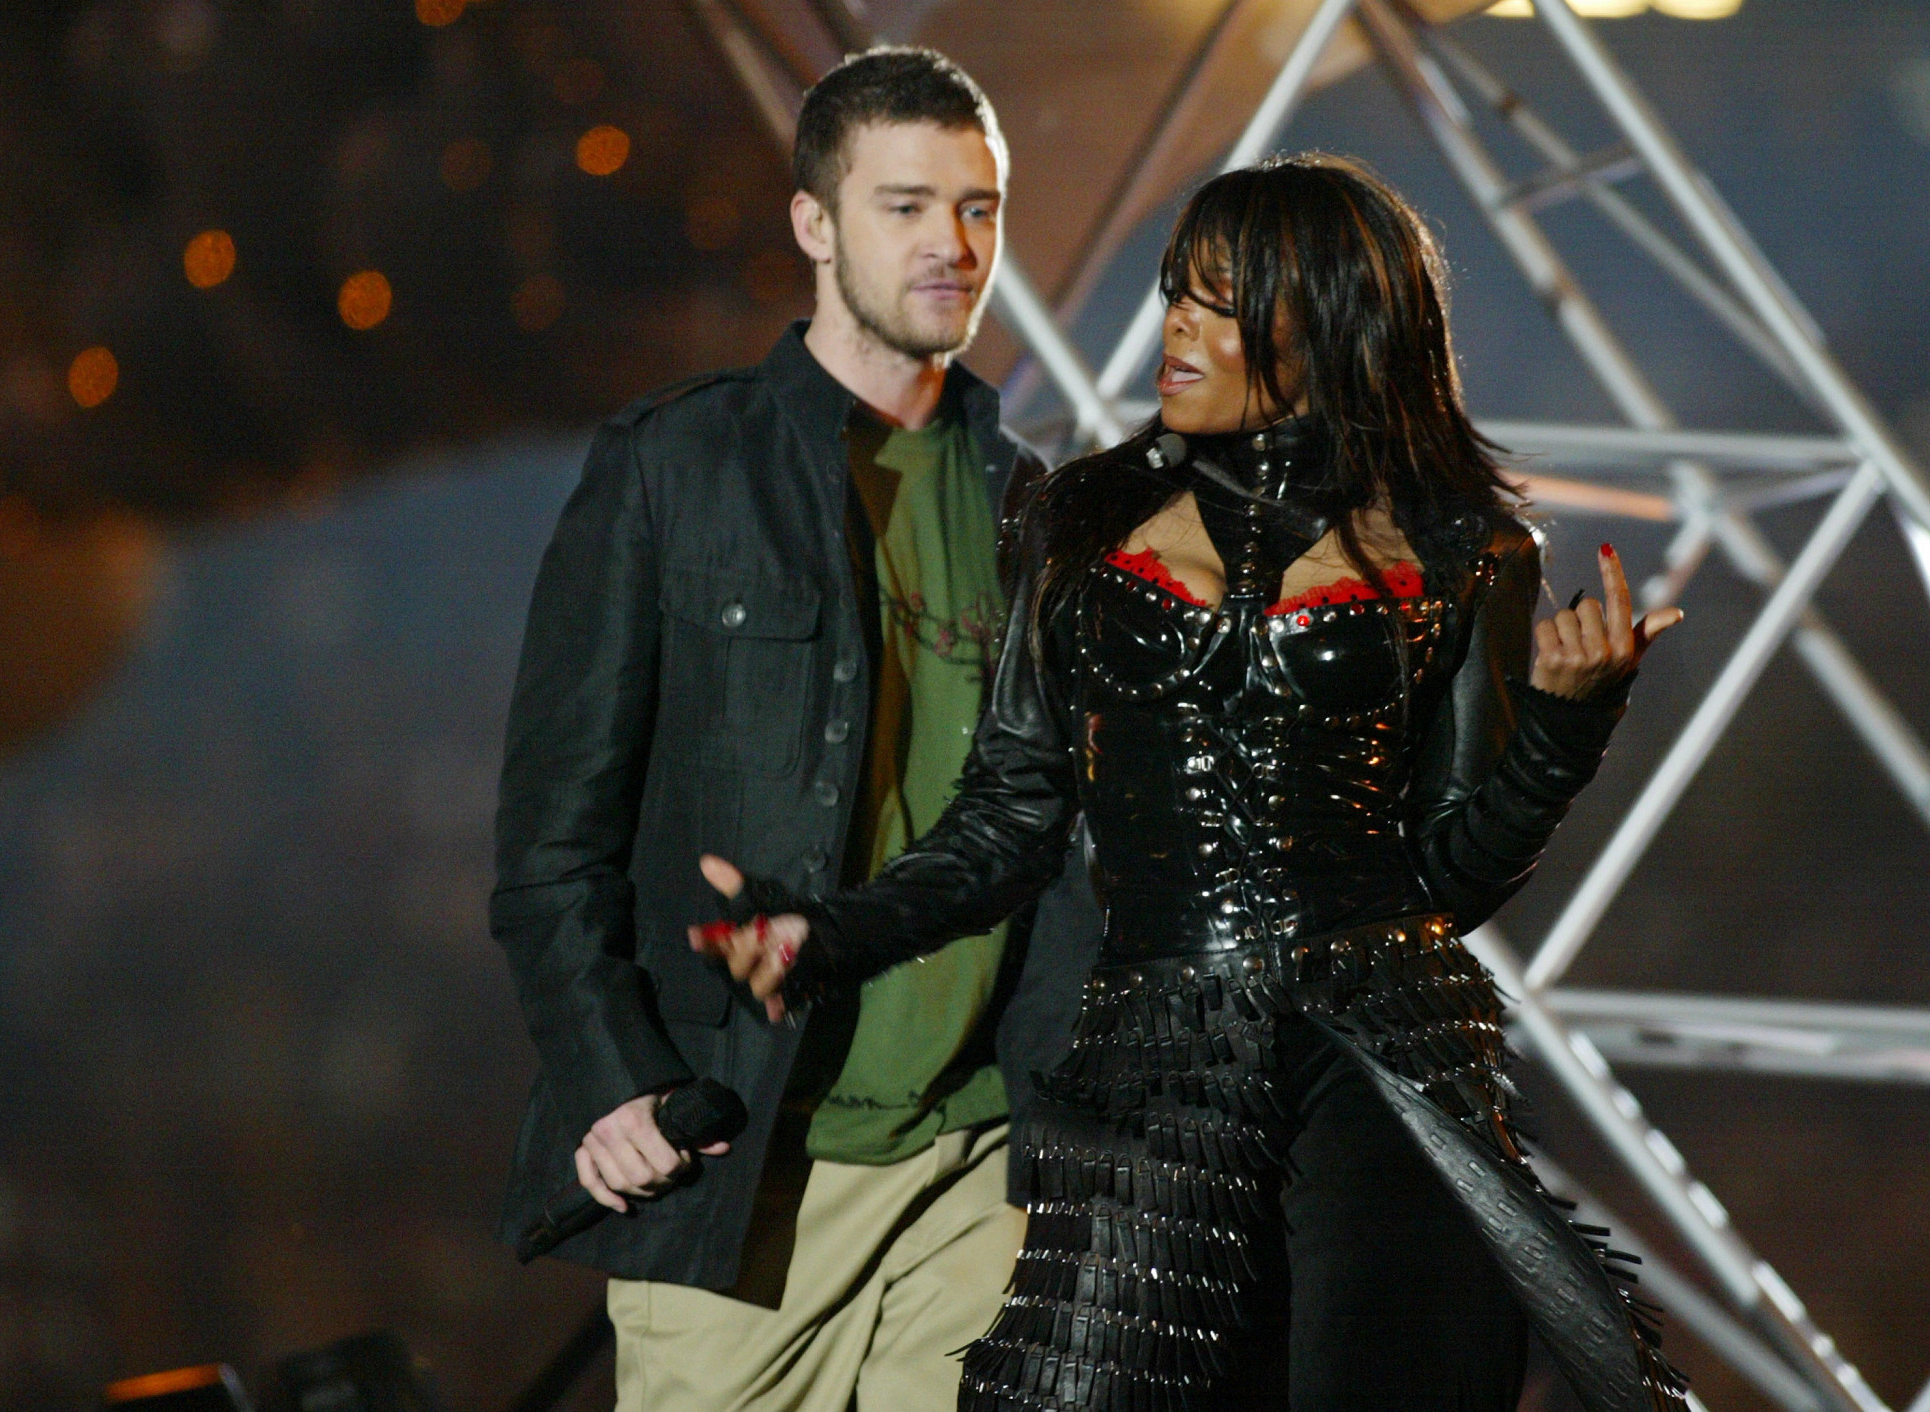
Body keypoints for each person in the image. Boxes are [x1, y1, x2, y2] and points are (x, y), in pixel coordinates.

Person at [692, 156, 1691, 1411]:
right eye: (1177, 290)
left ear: (1327, 324)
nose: (1176, 324)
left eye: (1219, 302)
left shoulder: (1463, 550)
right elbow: (1007, 819)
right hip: (1152, 1053)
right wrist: (826, 932)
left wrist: (1559, 730)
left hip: (1380, 1050)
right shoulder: (1078, 523)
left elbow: (1446, 873)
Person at [490, 46, 1101, 1412]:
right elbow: (550, 842)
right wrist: (618, 1085)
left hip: (974, 1175)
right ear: (814, 224)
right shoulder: (671, 471)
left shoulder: (1040, 514)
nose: (953, 243)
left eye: (979, 207)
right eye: (906, 205)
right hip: (745, 1172)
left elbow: (1061, 846)